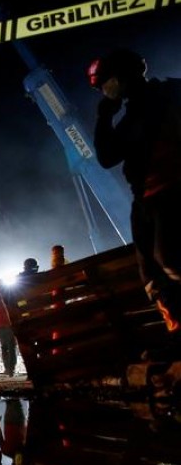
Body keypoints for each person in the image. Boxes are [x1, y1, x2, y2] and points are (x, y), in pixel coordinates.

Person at [88, 48, 181, 333]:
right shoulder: (129, 116)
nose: (104, 90)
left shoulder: (171, 94)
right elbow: (106, 157)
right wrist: (105, 117)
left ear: (123, 76)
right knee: (151, 275)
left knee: (171, 260)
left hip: (174, 192)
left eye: (107, 82)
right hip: (145, 200)